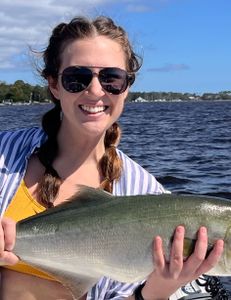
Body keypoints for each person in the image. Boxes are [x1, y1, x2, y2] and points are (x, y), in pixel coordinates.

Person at [0, 16, 224, 300]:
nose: (95, 91)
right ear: (55, 85)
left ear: (126, 87)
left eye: (111, 79)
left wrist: (157, 290)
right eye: (77, 78)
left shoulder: (145, 191)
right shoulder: (4, 154)